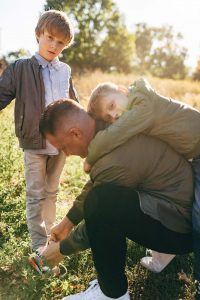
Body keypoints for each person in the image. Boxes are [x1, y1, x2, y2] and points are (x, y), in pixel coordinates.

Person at [39, 99, 193, 300]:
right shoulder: (110, 129)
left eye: (62, 147)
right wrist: (67, 222)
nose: (65, 154)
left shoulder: (114, 156)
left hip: (181, 230)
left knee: (104, 203)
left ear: (75, 133)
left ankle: (111, 294)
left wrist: (61, 250)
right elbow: (99, 180)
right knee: (102, 196)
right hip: (178, 206)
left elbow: (100, 207)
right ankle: (160, 254)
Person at [83, 78, 200, 296]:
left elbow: (113, 135)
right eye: (108, 117)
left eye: (112, 106)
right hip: (192, 157)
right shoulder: (137, 108)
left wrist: (90, 158)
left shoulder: (144, 104)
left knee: (198, 217)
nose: (114, 115)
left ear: (122, 90)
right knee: (161, 190)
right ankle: (162, 256)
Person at [0, 10, 78, 251]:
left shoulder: (64, 71)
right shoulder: (19, 69)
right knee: (36, 195)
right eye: (50, 38)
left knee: (51, 192)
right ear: (38, 34)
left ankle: (50, 239)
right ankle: (38, 246)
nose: (54, 46)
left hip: (60, 146)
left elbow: (73, 106)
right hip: (34, 143)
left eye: (61, 43)